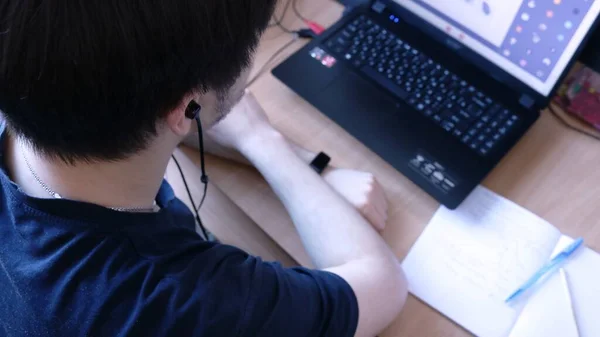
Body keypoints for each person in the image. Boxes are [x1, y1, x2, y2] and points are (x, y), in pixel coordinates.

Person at [0, 0, 407, 336]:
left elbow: (151, 124)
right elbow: (382, 286)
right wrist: (265, 143)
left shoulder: (30, 95)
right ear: (185, 108)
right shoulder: (182, 305)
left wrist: (310, 164)